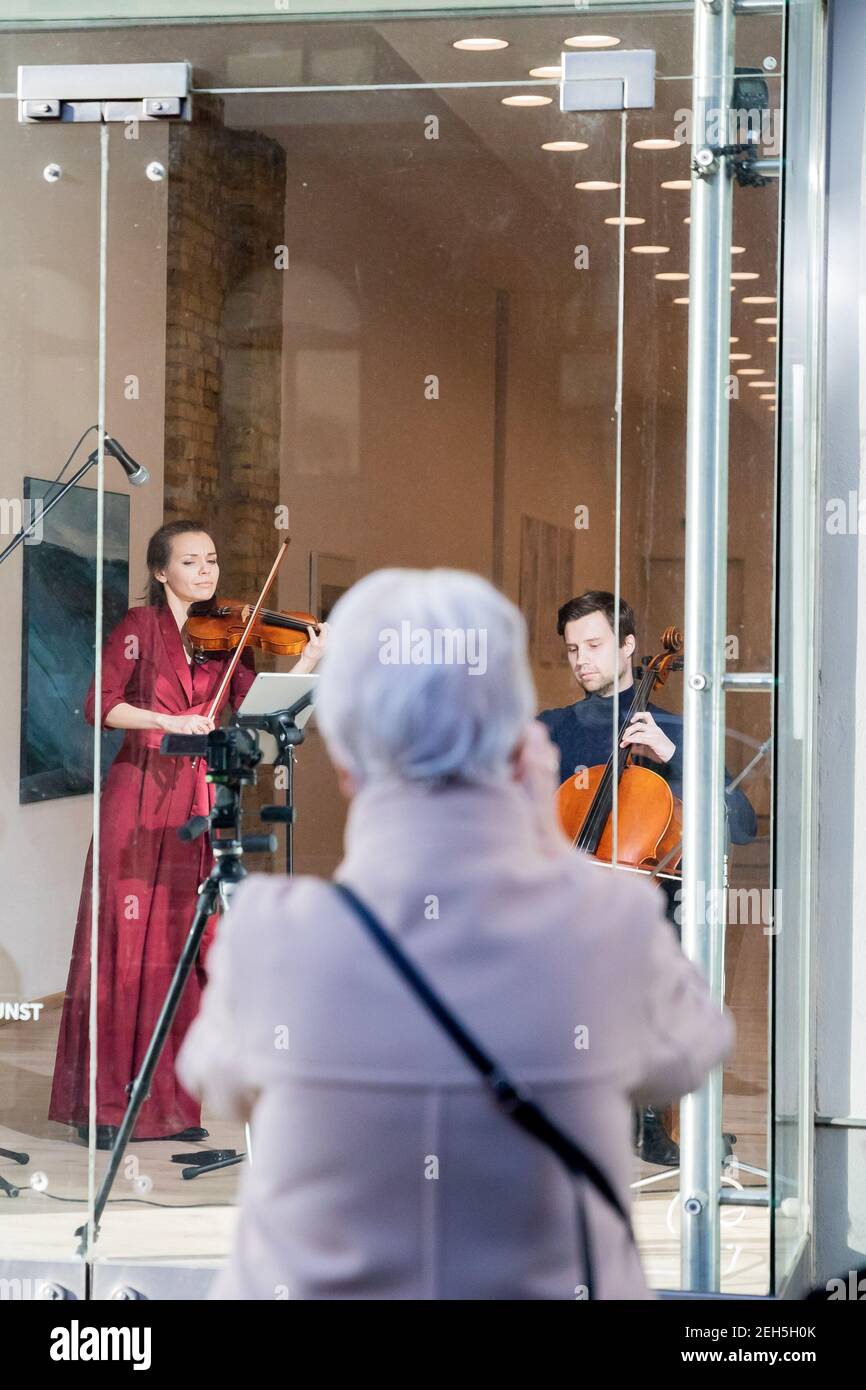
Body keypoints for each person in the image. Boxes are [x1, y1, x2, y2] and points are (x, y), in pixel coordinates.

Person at [177, 567, 733, 1300]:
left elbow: (216, 1078)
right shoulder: (609, 927)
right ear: (515, 755)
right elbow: (689, 1053)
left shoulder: (273, 938)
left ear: (346, 767)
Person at [48, 520, 327, 1148]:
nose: (207, 572)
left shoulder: (228, 639)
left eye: (212, 560)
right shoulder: (136, 629)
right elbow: (100, 705)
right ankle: (111, 1110)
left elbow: (266, 714)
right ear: (160, 572)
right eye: (192, 561)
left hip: (195, 797)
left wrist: (310, 659)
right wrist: (167, 718)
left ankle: (173, 1108)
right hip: (139, 791)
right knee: (125, 946)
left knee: (183, 946)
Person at [538, 590, 757, 1166]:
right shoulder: (552, 730)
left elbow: (742, 823)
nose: (581, 659)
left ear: (630, 646)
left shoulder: (672, 729)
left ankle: (657, 1116)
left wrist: (676, 760)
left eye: (594, 645)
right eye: (572, 649)